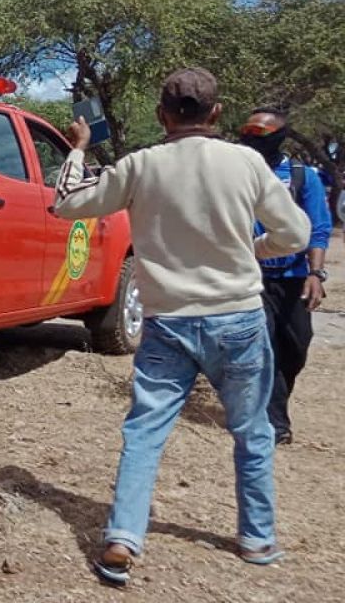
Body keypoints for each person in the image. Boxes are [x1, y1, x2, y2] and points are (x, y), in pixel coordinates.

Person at [52, 68, 310, 586]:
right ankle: (257, 538)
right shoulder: (246, 163)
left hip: (167, 322)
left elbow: (67, 204)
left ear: (160, 115)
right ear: (216, 113)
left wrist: (79, 149)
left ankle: (123, 538)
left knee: (145, 433)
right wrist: (254, 250)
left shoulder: (141, 165)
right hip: (237, 317)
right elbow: (297, 233)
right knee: (252, 430)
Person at [238, 107, 332, 445]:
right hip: (250, 275)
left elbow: (318, 229)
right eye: (247, 131)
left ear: (280, 136)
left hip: (292, 276)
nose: (251, 138)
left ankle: (272, 407)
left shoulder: (302, 175)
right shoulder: (236, 174)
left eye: (261, 133)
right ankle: (274, 423)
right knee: (264, 347)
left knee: (295, 347)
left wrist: (315, 273)